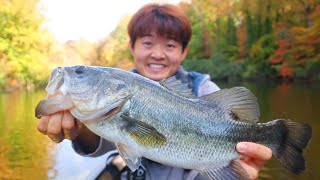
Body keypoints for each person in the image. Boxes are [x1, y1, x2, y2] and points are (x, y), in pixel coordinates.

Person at [37, 3, 272, 180]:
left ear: (184, 52)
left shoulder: (204, 89)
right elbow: (106, 141)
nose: (158, 54)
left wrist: (244, 165)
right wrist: (79, 132)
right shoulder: (118, 92)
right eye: (148, 43)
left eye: (170, 45)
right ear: (132, 47)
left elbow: (234, 121)